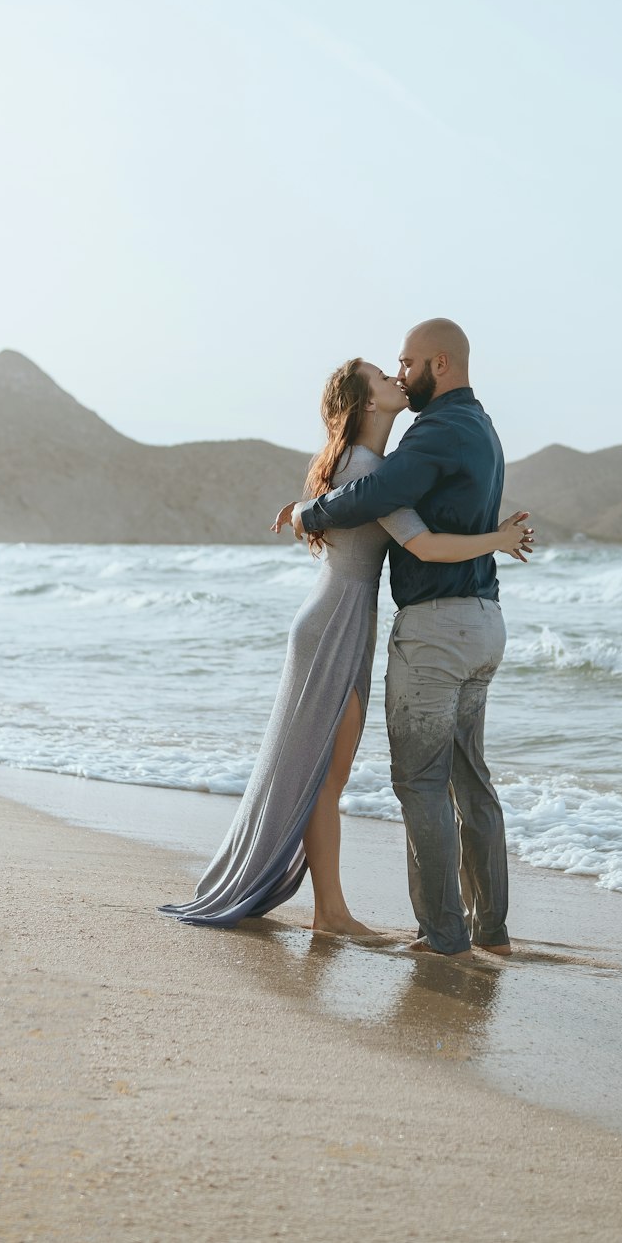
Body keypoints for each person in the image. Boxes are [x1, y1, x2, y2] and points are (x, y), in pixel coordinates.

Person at [159, 356, 531, 935]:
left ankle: (330, 909)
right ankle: (330, 913)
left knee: (322, 774)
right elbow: (427, 547)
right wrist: (499, 540)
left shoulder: (374, 466)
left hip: (342, 618)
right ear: (366, 402)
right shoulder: (367, 469)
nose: (397, 380)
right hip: (334, 622)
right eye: (385, 377)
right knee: (325, 777)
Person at [295, 319, 531, 959]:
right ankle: (492, 932)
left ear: (441, 363)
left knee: (422, 783)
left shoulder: (437, 430)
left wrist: (306, 513)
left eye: (407, 363)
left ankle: (443, 936)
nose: (401, 374)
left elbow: (380, 492)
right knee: (470, 778)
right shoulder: (481, 426)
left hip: (438, 629)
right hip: (484, 621)